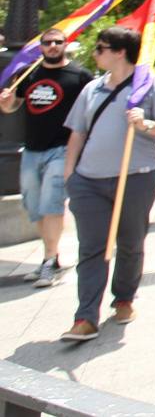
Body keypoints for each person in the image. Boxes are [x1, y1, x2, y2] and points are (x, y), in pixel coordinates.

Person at [60, 26, 155, 342]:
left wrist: (147, 123)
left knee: (130, 241)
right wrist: (70, 174)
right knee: (92, 248)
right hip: (88, 181)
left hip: (136, 176)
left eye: (100, 48)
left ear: (119, 51)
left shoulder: (151, 88)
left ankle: (124, 297)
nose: (95, 53)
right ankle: (85, 316)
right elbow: (78, 133)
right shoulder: (91, 89)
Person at [0, 28, 93, 288]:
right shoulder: (29, 74)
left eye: (57, 42)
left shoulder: (79, 76)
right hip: (32, 150)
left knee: (51, 203)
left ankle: (49, 261)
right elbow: (12, 106)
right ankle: (50, 257)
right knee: (33, 206)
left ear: (66, 45)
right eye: (47, 43)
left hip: (61, 149)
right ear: (40, 47)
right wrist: (6, 102)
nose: (52, 46)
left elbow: (90, 110)